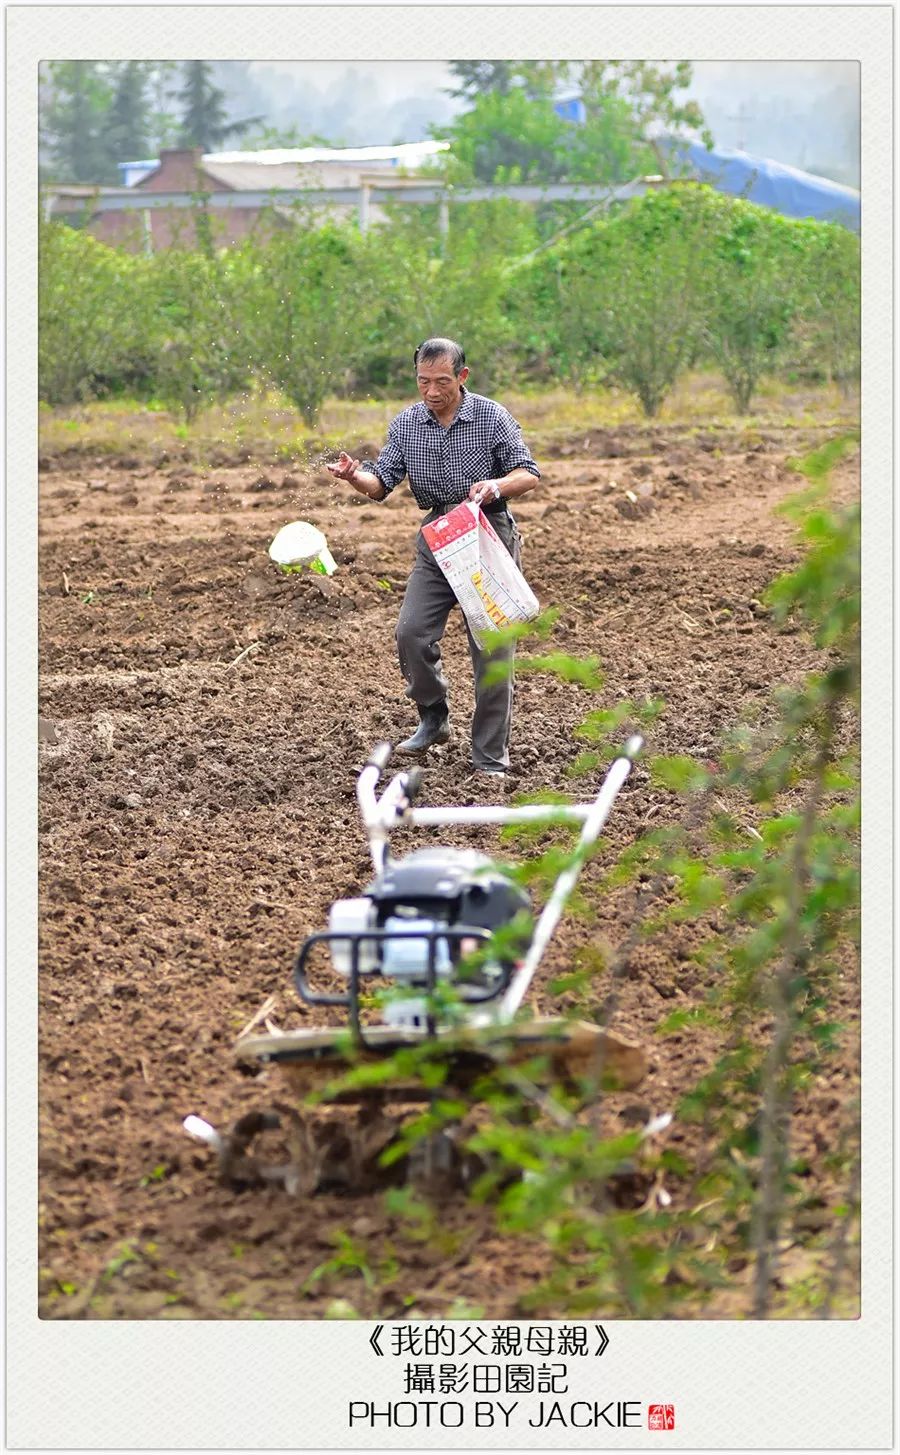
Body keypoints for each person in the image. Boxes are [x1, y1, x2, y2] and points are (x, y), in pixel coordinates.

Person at [327, 337, 541, 775]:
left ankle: (488, 759)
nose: (431, 391)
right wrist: (354, 476)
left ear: (461, 377)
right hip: (439, 534)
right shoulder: (407, 424)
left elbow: (528, 473)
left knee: (491, 650)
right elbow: (381, 483)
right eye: (423, 381)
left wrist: (496, 486)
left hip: (487, 531)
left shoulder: (491, 417)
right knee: (411, 633)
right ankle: (434, 715)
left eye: (442, 381)